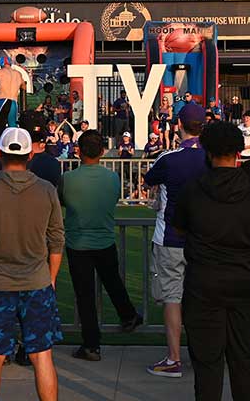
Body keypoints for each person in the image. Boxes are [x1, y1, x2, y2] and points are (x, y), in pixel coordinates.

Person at [0, 127, 64, 401]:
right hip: (36, 281)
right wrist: (51, 276)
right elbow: (57, 240)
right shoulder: (45, 190)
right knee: (42, 356)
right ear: (31, 154)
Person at [173, 121, 250, 401]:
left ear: (207, 151)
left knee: (207, 366)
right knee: (244, 362)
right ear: (238, 152)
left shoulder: (193, 191)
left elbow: (179, 228)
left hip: (204, 284)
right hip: (245, 283)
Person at [62, 131, 143, 362]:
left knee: (84, 295)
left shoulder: (68, 179)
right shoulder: (112, 178)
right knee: (113, 281)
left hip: (78, 243)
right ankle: (128, 315)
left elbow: (62, 200)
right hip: (104, 240)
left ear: (78, 151)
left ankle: (91, 344)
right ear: (102, 151)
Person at [143, 103, 208, 378]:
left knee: (172, 297)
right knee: (201, 297)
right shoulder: (211, 157)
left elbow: (150, 180)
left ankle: (173, 358)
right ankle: (204, 354)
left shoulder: (169, 158)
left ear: (178, 125)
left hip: (170, 237)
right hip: (204, 239)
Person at [0, 58, 25, 129]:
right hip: (14, 101)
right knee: (13, 125)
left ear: (1, 64)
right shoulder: (18, 74)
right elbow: (24, 86)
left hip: (3, 100)